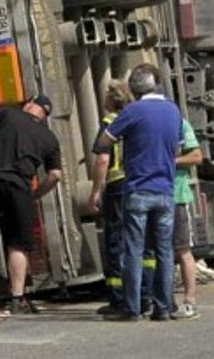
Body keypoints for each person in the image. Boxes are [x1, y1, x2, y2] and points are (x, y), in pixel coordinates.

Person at [0, 95, 63, 314]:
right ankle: (17, 299)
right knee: (17, 243)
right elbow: (55, 175)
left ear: (28, 106)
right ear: (44, 116)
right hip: (20, 186)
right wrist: (36, 194)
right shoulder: (50, 138)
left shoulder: (9, 114)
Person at [95, 64, 182, 322]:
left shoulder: (133, 111)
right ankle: (163, 308)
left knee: (133, 249)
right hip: (165, 190)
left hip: (137, 189)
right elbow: (177, 151)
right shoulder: (173, 110)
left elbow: (104, 141)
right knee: (164, 251)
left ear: (134, 88)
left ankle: (132, 309)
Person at [88, 80, 133, 314]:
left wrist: (96, 190)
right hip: (136, 185)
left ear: (112, 100)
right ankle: (139, 294)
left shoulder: (108, 123)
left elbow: (103, 159)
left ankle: (117, 298)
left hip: (116, 186)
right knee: (135, 240)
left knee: (114, 241)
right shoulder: (135, 121)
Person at [170, 118, 203, 320]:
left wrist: (171, 162)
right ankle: (164, 301)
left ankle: (190, 301)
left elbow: (197, 156)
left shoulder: (179, 123)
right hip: (152, 194)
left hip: (176, 196)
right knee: (156, 253)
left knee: (182, 249)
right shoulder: (142, 120)